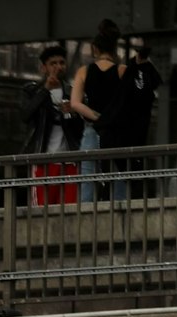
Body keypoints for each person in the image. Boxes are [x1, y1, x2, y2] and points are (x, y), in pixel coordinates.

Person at [70, 23, 126, 203]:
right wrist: (109, 119)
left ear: (95, 48)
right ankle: (119, 218)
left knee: (87, 177)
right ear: (114, 48)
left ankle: (85, 222)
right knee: (118, 175)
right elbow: (128, 105)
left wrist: (97, 118)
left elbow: (75, 104)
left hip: (92, 130)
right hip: (116, 132)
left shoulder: (84, 72)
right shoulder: (122, 71)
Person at [22, 45, 79, 207]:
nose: (58, 67)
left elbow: (81, 128)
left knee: (70, 209)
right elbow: (25, 115)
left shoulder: (72, 91)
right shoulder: (32, 90)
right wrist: (45, 89)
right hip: (43, 160)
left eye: (61, 63)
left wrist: (72, 114)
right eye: (53, 63)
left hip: (70, 161)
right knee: (42, 210)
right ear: (43, 68)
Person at [112, 36, 162, 198]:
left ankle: (136, 191)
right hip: (132, 119)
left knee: (135, 157)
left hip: (138, 119)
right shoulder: (132, 67)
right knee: (132, 157)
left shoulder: (144, 68)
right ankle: (133, 190)